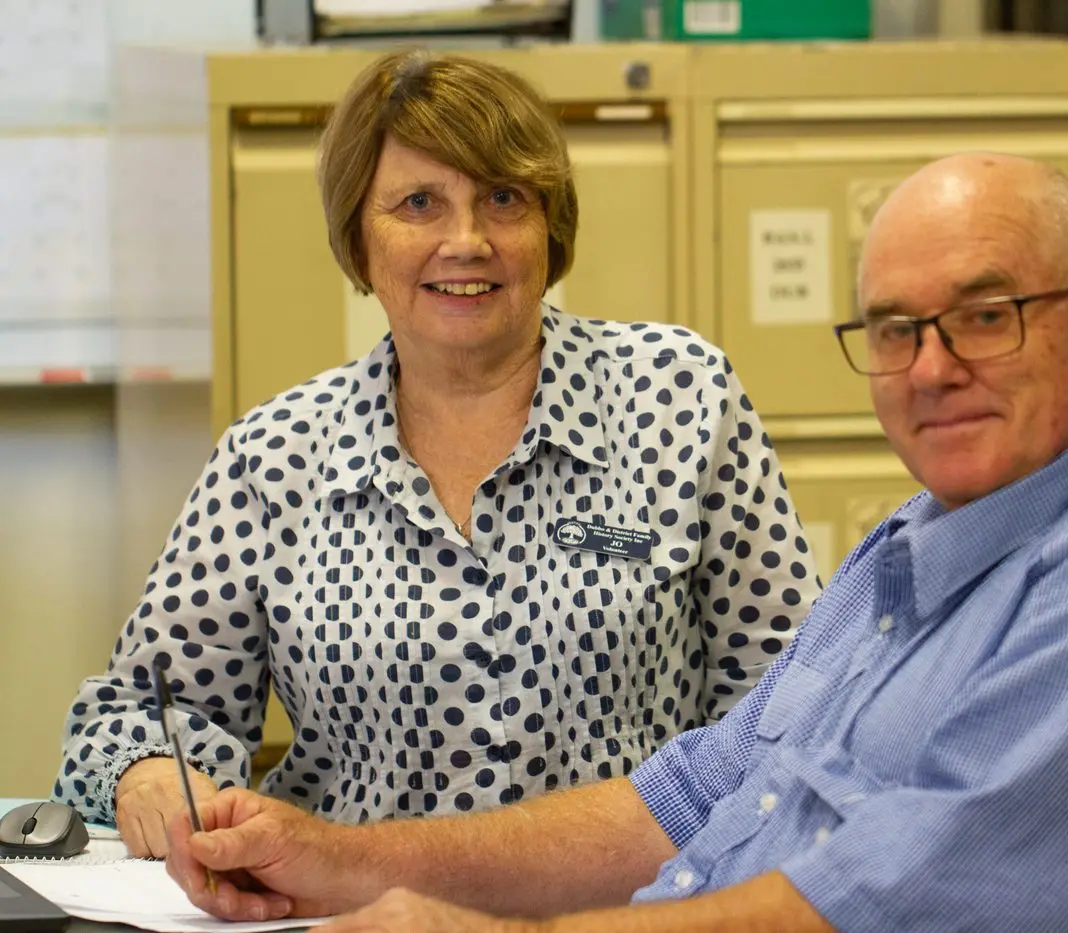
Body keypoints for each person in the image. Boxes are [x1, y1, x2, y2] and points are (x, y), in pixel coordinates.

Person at [165, 151, 1068, 932]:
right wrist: (348, 861)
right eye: (896, 330)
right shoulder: (925, 544)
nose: (933, 369)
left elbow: (888, 914)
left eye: (987, 316)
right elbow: (692, 796)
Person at [54, 49, 821, 857]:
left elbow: (796, 694)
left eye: (501, 198)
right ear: (359, 234)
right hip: (356, 909)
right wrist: (146, 775)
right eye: (419, 203)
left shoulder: (678, 399)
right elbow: (137, 711)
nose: (466, 240)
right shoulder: (274, 457)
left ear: (547, 225)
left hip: (627, 905)